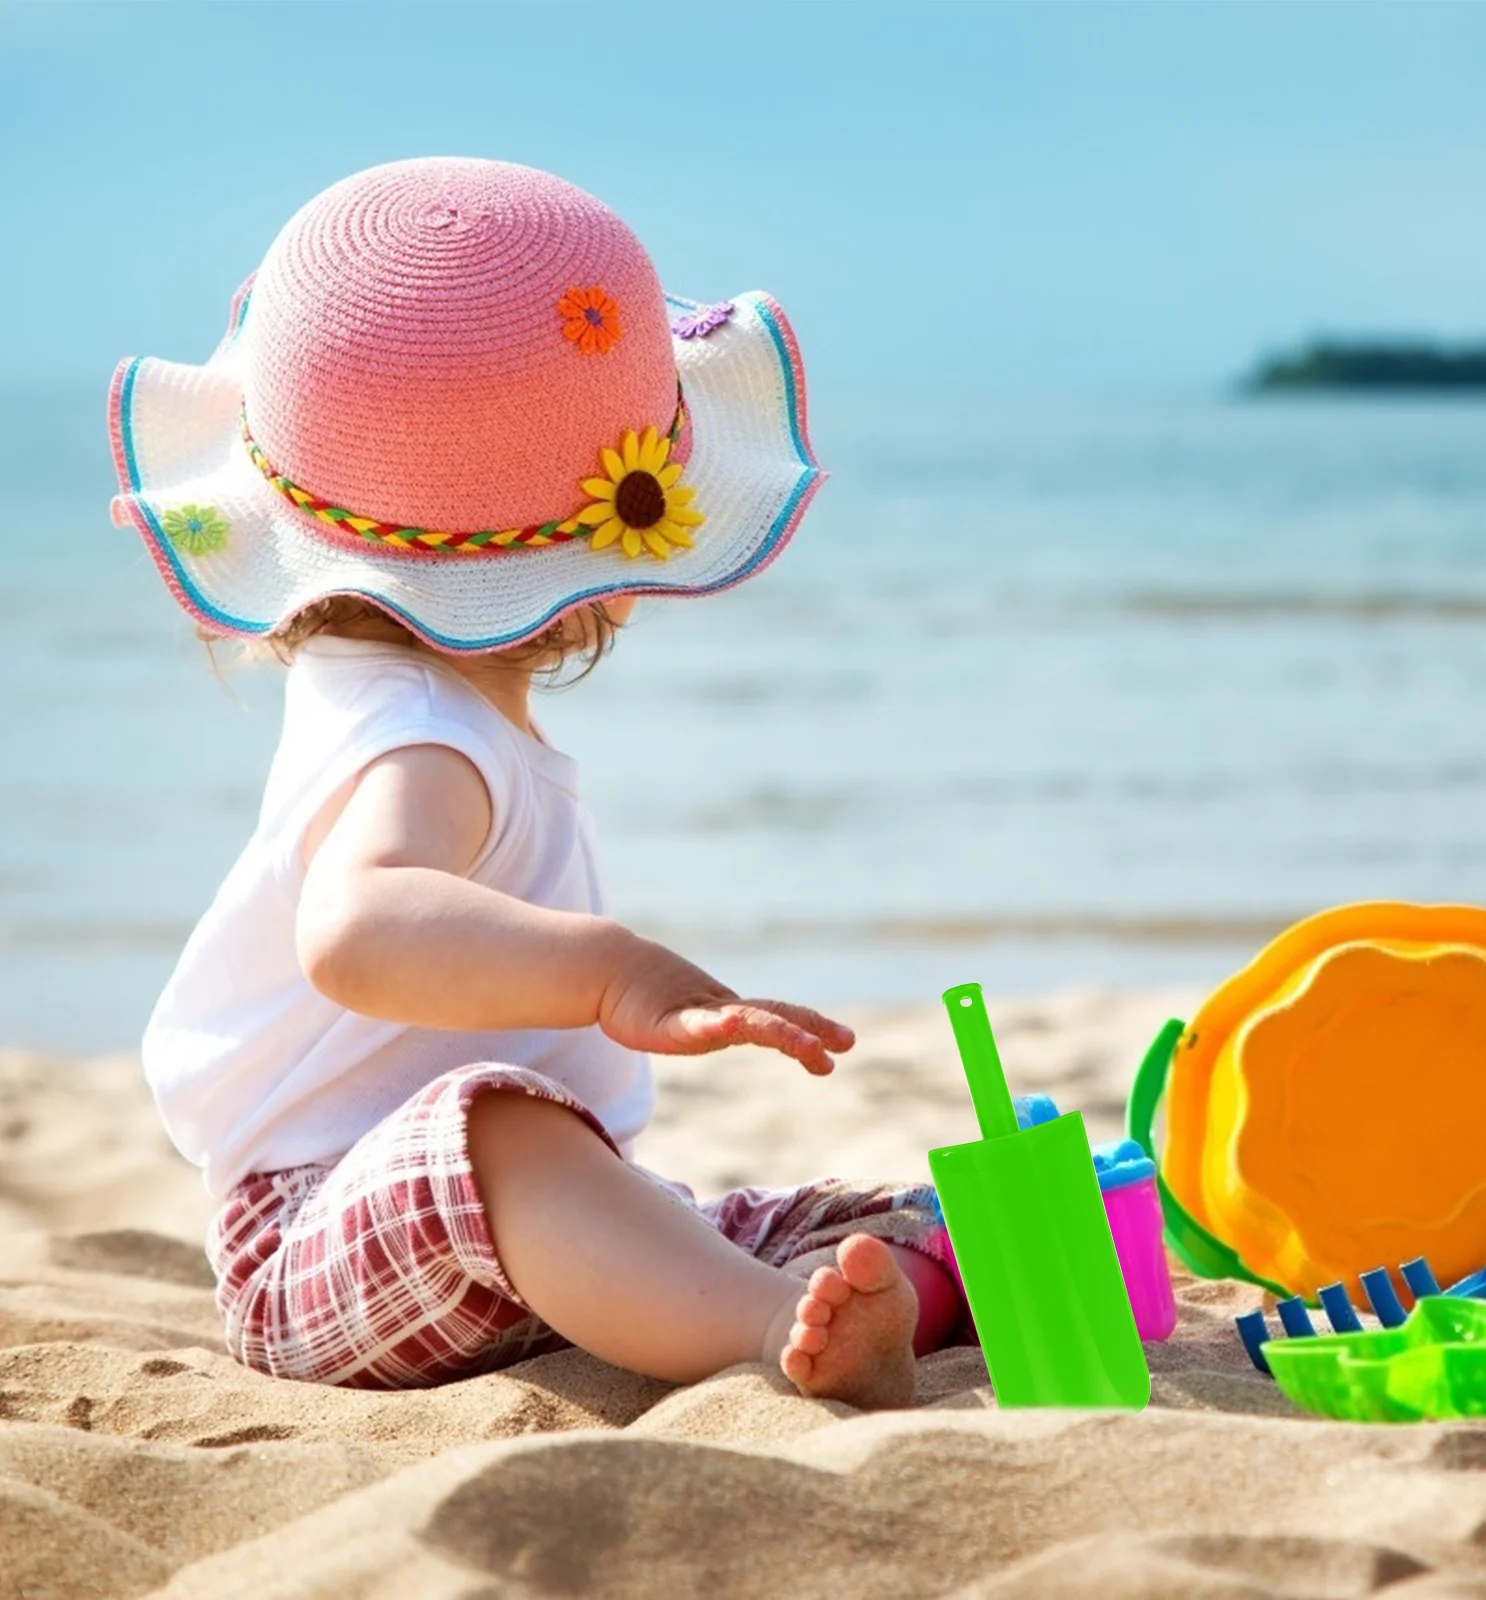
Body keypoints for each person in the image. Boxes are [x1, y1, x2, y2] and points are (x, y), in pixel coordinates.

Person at [108, 157, 959, 1405]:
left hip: (506, 1230)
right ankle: (779, 1326)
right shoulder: (418, 736)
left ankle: (889, 1292)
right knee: (501, 1129)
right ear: (613, 555)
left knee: (889, 1213)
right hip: (315, 1241)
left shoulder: (407, 702)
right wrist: (610, 967)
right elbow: (357, 927)